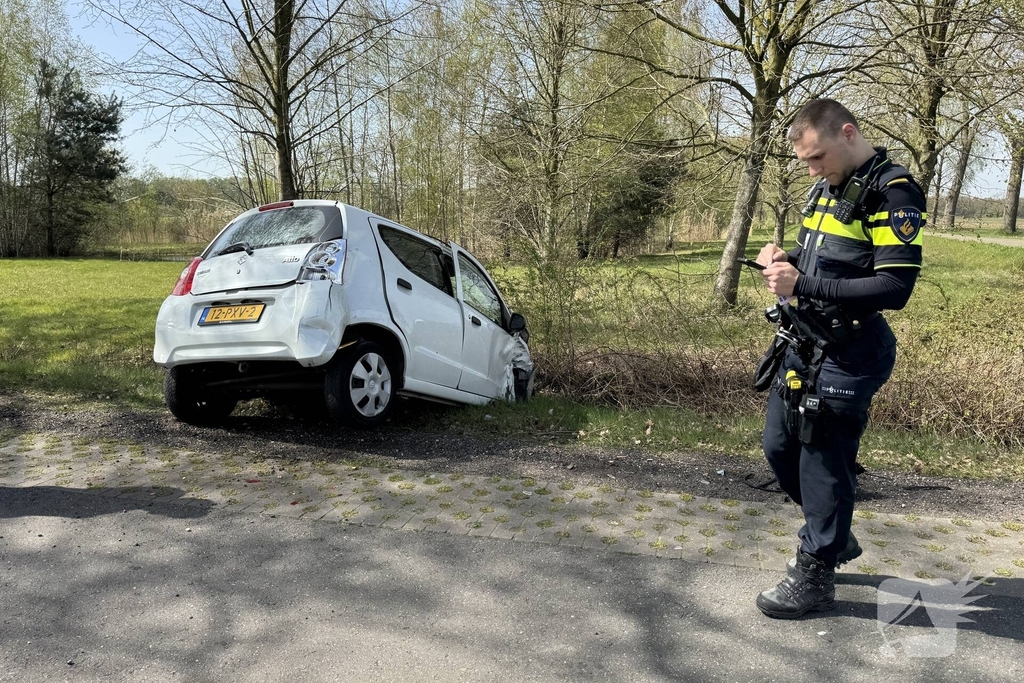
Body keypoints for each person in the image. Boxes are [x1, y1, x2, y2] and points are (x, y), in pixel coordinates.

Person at [753, 99, 925, 619]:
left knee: (823, 463)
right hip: (803, 344)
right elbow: (821, 259)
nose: (811, 169)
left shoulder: (894, 192)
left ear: (848, 134)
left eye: (817, 157)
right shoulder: (826, 187)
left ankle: (816, 572)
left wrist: (802, 284)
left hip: (851, 353)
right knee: (779, 447)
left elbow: (894, 287)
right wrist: (784, 259)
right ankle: (832, 533)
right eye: (805, 161)